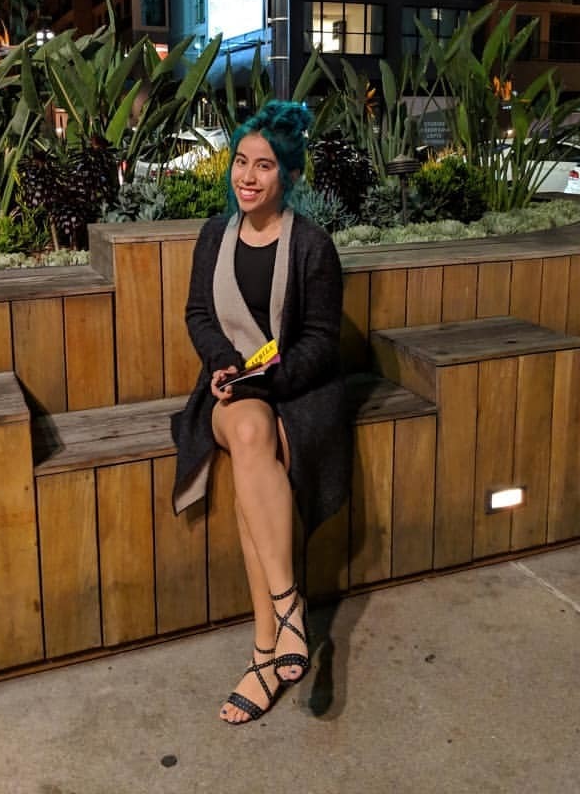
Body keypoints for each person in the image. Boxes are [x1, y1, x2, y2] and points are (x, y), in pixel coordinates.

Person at [170, 100, 352, 725]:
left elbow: (322, 342)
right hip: (230, 385)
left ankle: (265, 649)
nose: (247, 177)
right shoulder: (213, 237)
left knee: (254, 451)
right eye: (241, 162)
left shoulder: (312, 245)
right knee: (248, 428)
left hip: (299, 388)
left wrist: (271, 378)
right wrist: (226, 363)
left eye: (264, 166)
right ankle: (291, 607)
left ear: (289, 175)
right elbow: (199, 314)